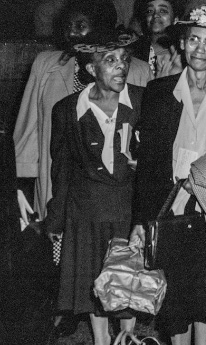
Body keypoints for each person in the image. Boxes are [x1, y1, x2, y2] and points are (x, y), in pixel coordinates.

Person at [130, 4, 206, 345]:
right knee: (174, 296)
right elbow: (148, 162)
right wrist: (141, 219)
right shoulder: (159, 91)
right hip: (169, 206)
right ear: (182, 44)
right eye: (194, 40)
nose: (201, 48)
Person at [40, 33, 142, 345]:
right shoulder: (68, 109)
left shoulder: (143, 101)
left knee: (127, 282)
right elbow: (62, 168)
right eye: (110, 61)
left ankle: (126, 337)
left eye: (124, 60)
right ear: (90, 68)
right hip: (86, 210)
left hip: (127, 208)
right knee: (93, 280)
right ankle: (100, 340)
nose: (121, 67)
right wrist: (56, 218)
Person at [14, 0, 152, 218]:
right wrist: (19, 183)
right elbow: (29, 127)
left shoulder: (137, 71)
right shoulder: (46, 65)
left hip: (117, 198)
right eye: (67, 26)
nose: (71, 32)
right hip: (59, 185)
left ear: (100, 27)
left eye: (80, 25)